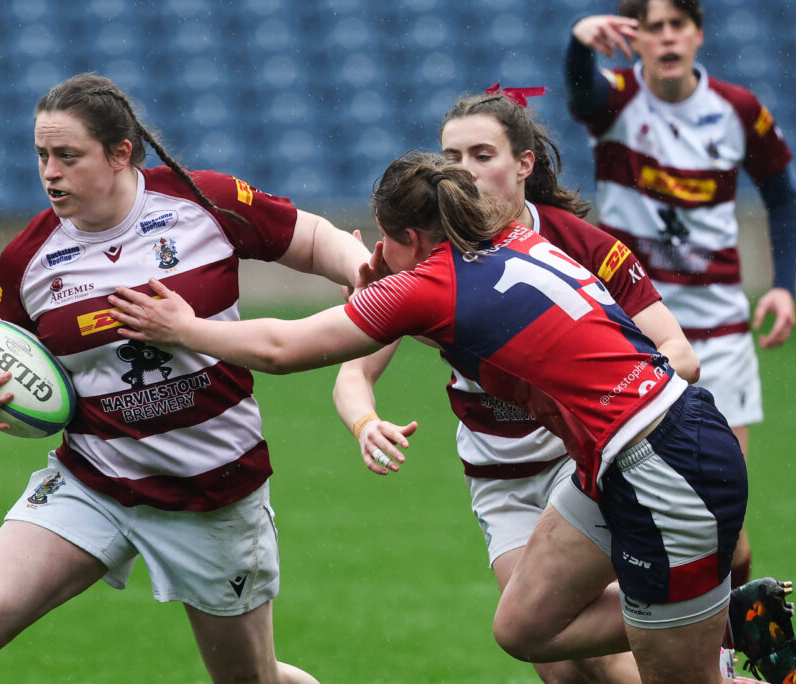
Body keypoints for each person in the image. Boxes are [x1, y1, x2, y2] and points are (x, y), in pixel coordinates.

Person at [108, 151, 748, 683]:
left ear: (409, 238)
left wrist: (185, 328)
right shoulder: (511, 238)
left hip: (661, 465)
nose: (378, 251)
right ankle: (713, 611)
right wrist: (381, 288)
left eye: (383, 239)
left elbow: (283, 348)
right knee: (524, 627)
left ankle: (711, 615)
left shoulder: (432, 284)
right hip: (635, 449)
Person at [0, 72, 374, 684]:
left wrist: (361, 271)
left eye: (68, 156)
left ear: (120, 153)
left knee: (247, 678)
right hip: (95, 480)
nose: (50, 172)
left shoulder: (201, 202)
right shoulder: (26, 260)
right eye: (42, 155)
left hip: (211, 491)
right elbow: (8, 366)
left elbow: (310, 238)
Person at [332, 86, 699, 683]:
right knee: (554, 663)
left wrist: (604, 394)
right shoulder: (430, 253)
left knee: (594, 652)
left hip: (579, 460)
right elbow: (354, 370)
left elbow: (680, 354)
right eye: (452, 158)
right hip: (497, 477)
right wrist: (365, 422)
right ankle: (713, 618)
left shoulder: (577, 244)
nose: (466, 171)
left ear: (524, 163)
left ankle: (710, 619)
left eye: (482, 155)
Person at [565, 0, 796, 595]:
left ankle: (729, 629)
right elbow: (582, 96)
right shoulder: (618, 99)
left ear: (698, 35)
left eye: (677, 25)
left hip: (721, 336)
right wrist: (580, 44)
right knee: (635, 506)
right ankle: (664, 631)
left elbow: (782, 195)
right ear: (636, 39)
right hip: (632, 336)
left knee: (723, 519)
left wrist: (785, 286)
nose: (666, 38)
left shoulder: (736, 109)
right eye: (653, 28)